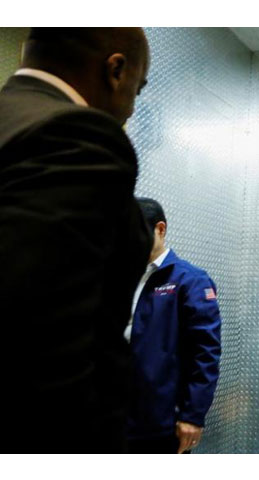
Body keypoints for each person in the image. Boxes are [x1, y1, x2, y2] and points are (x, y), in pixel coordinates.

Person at [0, 28, 152, 453]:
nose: (131, 108)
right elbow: (42, 342)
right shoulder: (75, 134)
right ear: (116, 70)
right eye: (137, 89)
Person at [126, 198, 222, 454]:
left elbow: (206, 354)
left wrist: (193, 415)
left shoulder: (190, 280)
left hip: (162, 419)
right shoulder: (120, 276)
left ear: (160, 229)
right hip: (118, 413)